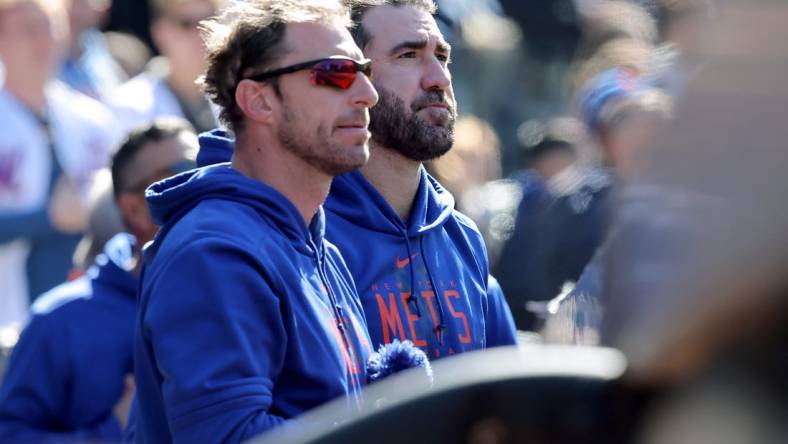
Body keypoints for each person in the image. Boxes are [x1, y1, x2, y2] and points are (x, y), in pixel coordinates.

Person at [132, 1, 379, 441]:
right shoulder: (212, 253)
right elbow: (231, 436)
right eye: (335, 72)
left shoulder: (320, 247)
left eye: (364, 70)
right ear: (258, 100)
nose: (366, 93)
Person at [323, 0, 516, 359]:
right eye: (409, 55)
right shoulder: (308, 237)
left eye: (442, 57)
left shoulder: (462, 239)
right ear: (349, 79)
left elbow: (507, 400)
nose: (439, 78)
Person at [0, 119, 198, 442]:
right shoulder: (60, 321)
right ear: (134, 210)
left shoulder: (238, 290)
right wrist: (110, 433)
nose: (204, 181)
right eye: (183, 170)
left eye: (210, 165)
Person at [0, 0, 115, 329]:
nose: (43, 41)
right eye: (28, 30)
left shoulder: (92, 120)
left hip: (84, 313)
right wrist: (46, 219)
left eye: (51, 28)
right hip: (8, 315)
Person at [109, 0, 222, 134]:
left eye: (211, 22)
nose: (202, 34)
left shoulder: (235, 101)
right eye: (186, 24)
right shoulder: (129, 108)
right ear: (159, 32)